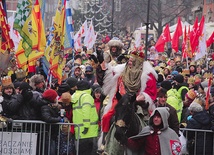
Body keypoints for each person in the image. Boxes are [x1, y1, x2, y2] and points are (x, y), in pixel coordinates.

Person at [97, 47, 158, 149]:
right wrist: (102, 63)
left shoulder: (148, 75)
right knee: (107, 116)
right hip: (122, 100)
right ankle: (105, 141)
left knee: (150, 121)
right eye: (129, 60)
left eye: (132, 61)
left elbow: (150, 92)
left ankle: (149, 142)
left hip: (138, 102)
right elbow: (106, 78)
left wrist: (142, 97)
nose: (129, 63)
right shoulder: (120, 71)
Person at [115, 107, 181, 155]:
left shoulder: (171, 134)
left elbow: (176, 151)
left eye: (158, 117)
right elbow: (136, 145)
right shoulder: (147, 130)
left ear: (164, 118)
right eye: (154, 117)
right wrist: (124, 140)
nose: (155, 119)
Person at [71, 80, 99, 155]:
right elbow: (86, 111)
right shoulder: (86, 96)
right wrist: (86, 126)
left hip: (79, 131)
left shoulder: (74, 96)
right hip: (89, 131)